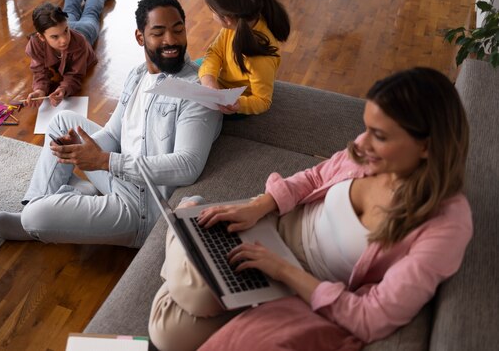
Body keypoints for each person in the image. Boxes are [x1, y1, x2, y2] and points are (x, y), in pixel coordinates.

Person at [148, 67, 473, 351]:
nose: (362, 144)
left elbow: (374, 317)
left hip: (301, 286)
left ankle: (185, 223)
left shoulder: (445, 226)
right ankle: (189, 225)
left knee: (168, 336)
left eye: (380, 136)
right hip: (277, 227)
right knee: (198, 299)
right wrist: (262, 204)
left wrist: (283, 271)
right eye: (367, 128)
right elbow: (316, 176)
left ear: (427, 146)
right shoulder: (373, 155)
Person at [0, 0, 223, 248]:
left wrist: (103, 161)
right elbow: (113, 134)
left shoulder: (196, 90)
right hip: (117, 174)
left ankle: (34, 217)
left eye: (178, 30)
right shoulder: (138, 74)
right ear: (140, 37)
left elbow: (187, 166)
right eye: (159, 33)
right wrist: (80, 150)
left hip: (139, 208)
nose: (171, 40)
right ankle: (37, 205)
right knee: (62, 121)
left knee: (36, 217)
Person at [198, 0, 290, 115]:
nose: (212, 14)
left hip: (233, 102)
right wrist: (209, 81)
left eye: (212, 11)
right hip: (219, 86)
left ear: (226, 18)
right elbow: (215, 52)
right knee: (192, 66)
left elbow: (262, 101)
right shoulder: (234, 25)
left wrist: (238, 104)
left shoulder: (260, 58)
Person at [24, 0, 116, 107]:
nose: (64, 40)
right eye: (55, 37)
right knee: (70, 9)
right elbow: (39, 71)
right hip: (67, 25)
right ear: (41, 37)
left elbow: (75, 75)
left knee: (91, 12)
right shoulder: (35, 44)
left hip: (85, 31)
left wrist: (63, 89)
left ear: (64, 24)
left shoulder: (79, 41)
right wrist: (39, 90)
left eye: (64, 32)